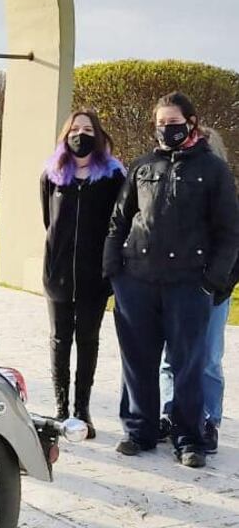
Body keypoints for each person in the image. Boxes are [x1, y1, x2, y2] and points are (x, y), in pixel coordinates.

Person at [104, 92, 239, 468]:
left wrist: (212, 279)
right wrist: (112, 269)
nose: (167, 129)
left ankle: (190, 438)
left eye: (173, 122)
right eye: (161, 123)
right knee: (139, 361)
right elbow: (120, 219)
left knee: (188, 364)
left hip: (188, 284)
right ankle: (140, 430)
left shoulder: (213, 170)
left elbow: (230, 231)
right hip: (137, 282)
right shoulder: (142, 166)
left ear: (192, 123)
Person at [41, 110, 125, 438]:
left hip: (94, 274)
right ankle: (61, 409)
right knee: (60, 340)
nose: (80, 134)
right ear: (66, 135)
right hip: (58, 272)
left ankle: (82, 408)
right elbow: (48, 220)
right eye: (75, 129)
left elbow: (118, 222)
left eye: (87, 129)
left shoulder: (113, 176)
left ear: (98, 134)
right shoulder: (52, 174)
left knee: (87, 339)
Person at [158, 127, 237, 454]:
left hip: (212, 290)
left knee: (207, 357)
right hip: (176, 286)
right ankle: (169, 411)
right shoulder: (174, 191)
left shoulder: (226, 193)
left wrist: (217, 284)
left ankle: (209, 419)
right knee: (170, 357)